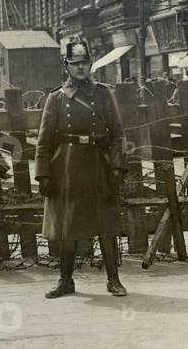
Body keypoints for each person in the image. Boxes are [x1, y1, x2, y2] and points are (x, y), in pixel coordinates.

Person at [35, 38, 130, 297]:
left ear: (91, 64)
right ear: (66, 66)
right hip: (66, 168)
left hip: (98, 165)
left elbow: (118, 133)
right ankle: (66, 280)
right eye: (75, 64)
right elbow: (44, 141)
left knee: (106, 225)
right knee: (68, 226)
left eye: (84, 63)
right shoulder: (55, 99)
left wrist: (118, 166)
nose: (80, 68)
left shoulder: (103, 93)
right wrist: (43, 174)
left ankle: (114, 280)